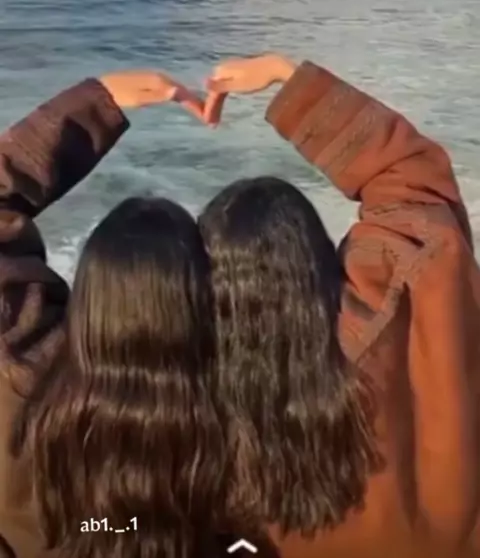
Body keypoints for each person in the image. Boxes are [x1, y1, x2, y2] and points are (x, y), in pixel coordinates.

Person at [199, 53, 480, 558]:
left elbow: (118, 522)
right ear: (316, 253)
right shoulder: (389, 308)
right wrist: (286, 76)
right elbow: (414, 181)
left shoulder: (182, 404)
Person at [0, 70, 250, 558]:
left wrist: (98, 102)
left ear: (90, 291)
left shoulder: (22, 374)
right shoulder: (234, 419)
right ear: (196, 301)